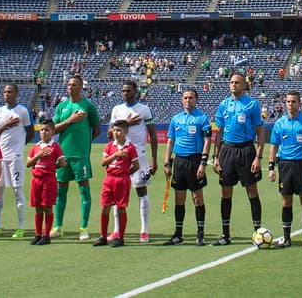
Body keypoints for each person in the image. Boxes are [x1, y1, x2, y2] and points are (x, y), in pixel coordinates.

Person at [211, 72, 265, 246]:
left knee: (252, 191)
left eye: (237, 82)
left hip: (246, 150)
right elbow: (218, 132)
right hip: (227, 150)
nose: (233, 85)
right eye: (231, 82)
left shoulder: (252, 104)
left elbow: (260, 130)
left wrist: (258, 156)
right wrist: (216, 157)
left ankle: (258, 233)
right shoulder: (223, 105)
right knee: (225, 192)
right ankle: (225, 235)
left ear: (244, 85)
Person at [267, 90, 302, 249]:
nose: (290, 104)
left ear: (299, 103)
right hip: (285, 166)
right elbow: (274, 147)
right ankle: (287, 237)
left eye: (293, 102)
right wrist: (271, 167)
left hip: (301, 165)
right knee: (286, 201)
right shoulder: (279, 123)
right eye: (288, 102)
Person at [52, 74, 101, 241]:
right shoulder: (62, 106)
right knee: (60, 191)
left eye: (74, 85)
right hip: (63, 155)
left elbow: (96, 129)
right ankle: (58, 226)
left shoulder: (88, 106)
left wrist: (84, 144)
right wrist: (70, 120)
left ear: (81, 87)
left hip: (80, 156)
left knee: (84, 191)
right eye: (69, 84)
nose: (70, 87)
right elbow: (54, 129)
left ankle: (84, 227)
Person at [109, 81, 158, 243]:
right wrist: (126, 123)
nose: (124, 93)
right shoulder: (117, 109)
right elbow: (110, 133)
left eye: (128, 90)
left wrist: (154, 159)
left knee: (141, 191)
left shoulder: (144, 110)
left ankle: (144, 230)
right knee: (118, 194)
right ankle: (117, 230)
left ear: (135, 91)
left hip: (139, 155)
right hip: (120, 155)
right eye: (123, 90)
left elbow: (153, 135)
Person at [164, 88, 210, 246]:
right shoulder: (176, 119)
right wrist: (167, 163)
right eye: (185, 98)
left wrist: (203, 163)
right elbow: (170, 142)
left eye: (191, 98)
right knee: (179, 199)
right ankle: (178, 234)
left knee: (197, 198)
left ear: (196, 100)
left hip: (195, 160)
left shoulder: (202, 118)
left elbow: (207, 141)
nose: (188, 100)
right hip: (179, 161)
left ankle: (200, 233)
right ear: (182, 100)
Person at [0, 83, 34, 237]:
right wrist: (5, 125)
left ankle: (21, 226)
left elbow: (30, 133)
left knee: (17, 191)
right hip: (0, 158)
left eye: (10, 92)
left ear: (16, 93)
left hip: (15, 158)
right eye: (5, 92)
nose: (7, 94)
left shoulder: (23, 111)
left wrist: (19, 147)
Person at [96, 119, 138, 247]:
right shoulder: (109, 146)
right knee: (105, 207)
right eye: (114, 130)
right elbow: (103, 163)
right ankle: (103, 236)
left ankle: (120, 237)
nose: (116, 133)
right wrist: (115, 155)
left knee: (121, 208)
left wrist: (125, 173)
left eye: (119, 130)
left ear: (126, 131)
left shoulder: (130, 147)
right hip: (109, 179)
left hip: (122, 180)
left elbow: (136, 165)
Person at [28, 119, 65, 245]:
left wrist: (50, 168)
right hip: (36, 180)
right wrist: (38, 156)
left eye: (47, 130)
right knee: (38, 208)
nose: (44, 132)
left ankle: (46, 235)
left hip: (48, 180)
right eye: (42, 130)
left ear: (53, 132)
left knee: (47, 207)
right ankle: (38, 234)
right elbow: (28, 163)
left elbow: (62, 162)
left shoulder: (55, 147)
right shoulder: (35, 147)